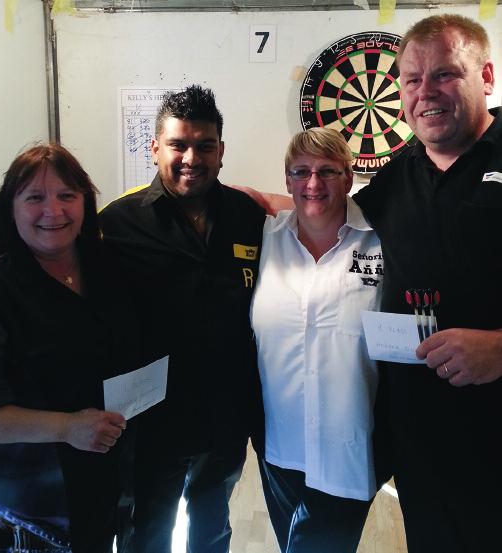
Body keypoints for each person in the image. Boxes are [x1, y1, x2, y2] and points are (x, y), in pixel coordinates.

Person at [354, 14, 502, 553]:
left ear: (485, 75)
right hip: (425, 452)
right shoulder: (399, 174)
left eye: (444, 74)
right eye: (413, 80)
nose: (426, 92)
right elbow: (325, 216)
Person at [99, 84, 266, 553]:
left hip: (225, 412)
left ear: (221, 151)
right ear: (155, 148)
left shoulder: (247, 215)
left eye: (204, 145)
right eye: (178, 144)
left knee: (212, 524)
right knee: (146, 530)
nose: (191, 156)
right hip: (150, 421)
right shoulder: (116, 224)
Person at [0, 143, 144, 552]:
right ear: (11, 207)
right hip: (33, 507)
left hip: (109, 482)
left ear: (85, 202)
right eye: (35, 198)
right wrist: (67, 427)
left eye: (66, 196)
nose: (53, 211)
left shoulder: (110, 266)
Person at [251, 127, 383, 553]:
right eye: (301, 172)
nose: (313, 183)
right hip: (279, 446)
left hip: (349, 446)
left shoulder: (382, 242)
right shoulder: (264, 239)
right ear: (287, 179)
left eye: (328, 171)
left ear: (349, 178)